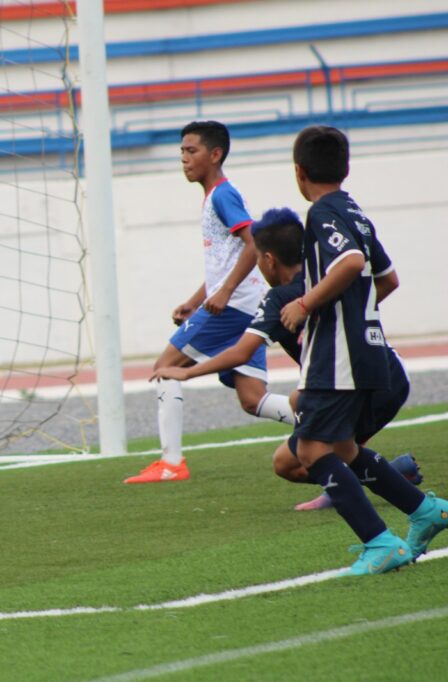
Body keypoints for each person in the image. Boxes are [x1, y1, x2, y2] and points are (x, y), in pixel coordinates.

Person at [150, 207, 422, 510]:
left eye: (256, 259)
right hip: (391, 374)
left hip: (354, 382)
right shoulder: (326, 278)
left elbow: (241, 352)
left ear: (268, 260)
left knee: (291, 460)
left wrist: (188, 372)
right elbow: (385, 283)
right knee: (314, 422)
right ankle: (388, 488)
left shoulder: (280, 299)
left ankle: (387, 507)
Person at [276, 125, 447, 574]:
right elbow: (386, 278)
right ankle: (426, 511)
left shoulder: (321, 214)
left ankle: (380, 544)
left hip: (338, 358)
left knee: (311, 451)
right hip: (367, 349)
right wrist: (356, 314)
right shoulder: (356, 211)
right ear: (344, 168)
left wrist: (306, 302)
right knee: (343, 448)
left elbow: (350, 262)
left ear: (299, 172)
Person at [125, 121, 292, 484]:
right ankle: (328, 427)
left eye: (191, 151)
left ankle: (171, 463)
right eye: (182, 152)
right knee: (253, 399)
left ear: (215, 155)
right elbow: (226, 258)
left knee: (166, 365)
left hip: (235, 307)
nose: (184, 159)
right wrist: (195, 300)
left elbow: (254, 243)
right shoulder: (214, 196)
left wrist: (225, 292)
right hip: (242, 305)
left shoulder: (222, 195)